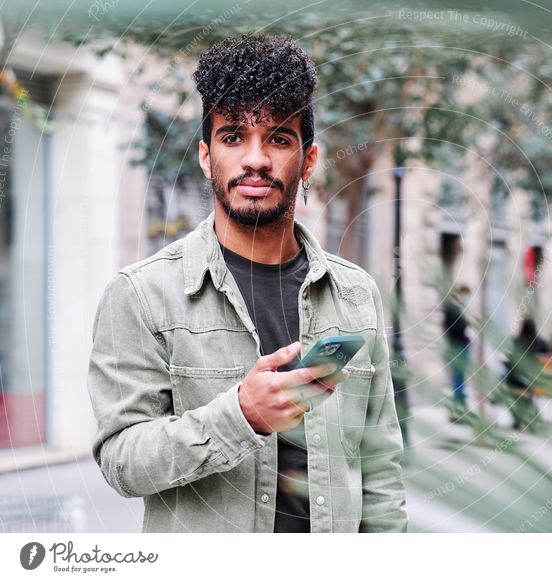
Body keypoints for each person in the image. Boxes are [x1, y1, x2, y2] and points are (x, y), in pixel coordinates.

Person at [87, 34, 407, 533]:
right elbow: (123, 462)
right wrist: (240, 415)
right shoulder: (142, 294)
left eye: (279, 138)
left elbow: (380, 471)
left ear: (309, 160)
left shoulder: (356, 294)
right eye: (233, 136)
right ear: (205, 156)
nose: (255, 159)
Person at [502, 318, 551, 430]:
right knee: (525, 390)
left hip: (515, 382)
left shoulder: (516, 342)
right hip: (533, 382)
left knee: (515, 387)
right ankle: (525, 418)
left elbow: (511, 362)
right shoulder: (541, 343)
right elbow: (549, 356)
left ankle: (518, 419)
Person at [442, 285, 471, 418]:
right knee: (458, 378)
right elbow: (454, 328)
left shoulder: (457, 309)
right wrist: (466, 325)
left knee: (460, 378)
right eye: (465, 295)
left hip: (460, 346)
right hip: (457, 346)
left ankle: (459, 405)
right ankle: (457, 407)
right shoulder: (452, 309)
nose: (466, 298)